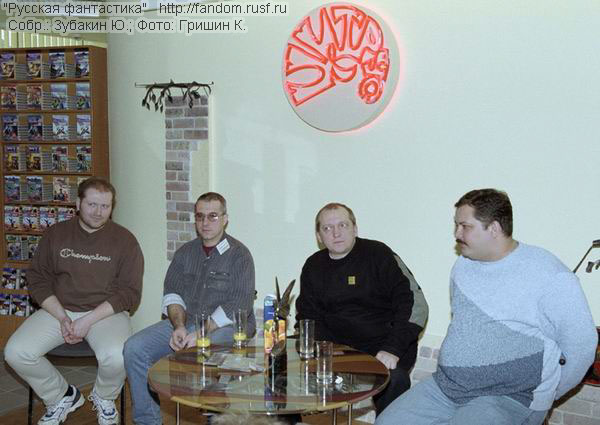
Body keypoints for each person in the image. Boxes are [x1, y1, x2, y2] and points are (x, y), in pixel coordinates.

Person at [376, 188, 598, 425]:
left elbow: (582, 345)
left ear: (494, 228)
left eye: (465, 226)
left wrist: (547, 393)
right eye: (456, 225)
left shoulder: (550, 276)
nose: (456, 233)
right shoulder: (463, 266)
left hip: (509, 397)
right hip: (448, 387)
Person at [5, 177, 144, 425]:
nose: (98, 212)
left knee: (118, 355)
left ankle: (104, 397)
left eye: (105, 206)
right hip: (59, 310)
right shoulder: (56, 234)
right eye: (92, 204)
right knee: (16, 352)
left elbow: (129, 293)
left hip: (105, 314)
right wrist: (62, 317)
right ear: (78, 203)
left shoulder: (125, 240)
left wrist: (87, 321)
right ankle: (61, 396)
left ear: (112, 207)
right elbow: (37, 279)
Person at [123, 192, 256, 425]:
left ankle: (217, 418)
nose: (205, 222)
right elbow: (172, 294)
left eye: (213, 216)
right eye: (200, 216)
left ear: (225, 219)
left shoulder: (240, 255)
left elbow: (239, 303)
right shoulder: (185, 253)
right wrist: (179, 326)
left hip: (229, 326)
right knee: (134, 348)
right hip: (188, 322)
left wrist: (201, 332)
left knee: (209, 348)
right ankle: (147, 420)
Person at [296, 202, 429, 415]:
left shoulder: (378, 254)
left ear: (355, 229)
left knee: (397, 380)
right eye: (327, 228)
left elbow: (416, 305)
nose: (336, 233)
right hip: (336, 352)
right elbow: (308, 316)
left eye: (343, 225)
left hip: (383, 350)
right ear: (319, 236)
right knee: (282, 369)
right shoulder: (313, 266)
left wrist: (392, 349)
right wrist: (320, 350)